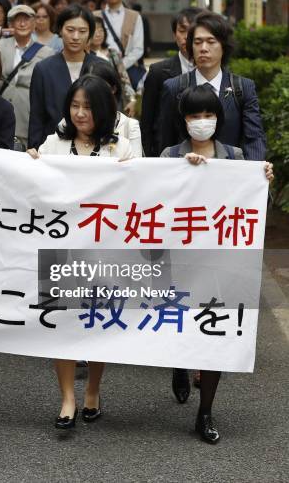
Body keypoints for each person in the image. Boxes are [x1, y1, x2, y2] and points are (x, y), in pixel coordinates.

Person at [160, 84, 273, 444]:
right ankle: (179, 365)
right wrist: (183, 171)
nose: (202, 122)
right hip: (180, 261)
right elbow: (151, 202)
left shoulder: (236, 156)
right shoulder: (168, 155)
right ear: (184, 120)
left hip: (222, 263)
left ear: (218, 119)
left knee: (215, 333)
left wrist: (263, 180)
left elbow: (252, 206)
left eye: (209, 115)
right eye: (195, 115)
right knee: (180, 325)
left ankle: (205, 412)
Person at [27, 76, 134, 430]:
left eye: (87, 107)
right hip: (61, 250)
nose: (80, 113)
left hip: (106, 252)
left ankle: (93, 390)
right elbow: (30, 177)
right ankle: (67, 399)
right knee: (62, 322)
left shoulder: (120, 149)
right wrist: (29, 161)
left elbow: (147, 187)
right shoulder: (55, 145)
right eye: (74, 106)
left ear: (103, 109)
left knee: (98, 322)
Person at [159, 11, 266, 162]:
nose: (203, 48)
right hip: (187, 175)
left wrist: (252, 174)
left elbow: (254, 138)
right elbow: (166, 138)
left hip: (230, 176)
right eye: (197, 42)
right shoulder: (174, 87)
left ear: (224, 46)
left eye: (211, 41)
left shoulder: (243, 88)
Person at [28, 4, 107, 149]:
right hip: (54, 148)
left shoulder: (102, 68)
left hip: (95, 148)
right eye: (70, 30)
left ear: (89, 34)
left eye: (82, 31)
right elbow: (37, 117)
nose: (75, 37)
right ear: (60, 30)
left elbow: (112, 112)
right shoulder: (44, 69)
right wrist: (35, 148)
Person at [140, 7, 202, 158]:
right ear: (174, 34)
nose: (187, 36)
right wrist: (150, 157)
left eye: (193, 31)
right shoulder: (158, 72)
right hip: (166, 155)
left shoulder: (218, 71)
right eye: (182, 30)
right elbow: (147, 122)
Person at [0, 5, 54, 149]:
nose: (22, 24)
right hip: (1, 113)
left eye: (26, 20)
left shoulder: (46, 53)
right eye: (17, 20)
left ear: (34, 24)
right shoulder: (0, 46)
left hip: (28, 116)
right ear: (11, 24)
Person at [94, 0, 145, 89]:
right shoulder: (94, 16)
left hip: (127, 68)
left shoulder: (134, 16)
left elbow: (138, 49)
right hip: (98, 68)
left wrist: (120, 66)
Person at [87, 61, 142, 156]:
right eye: (89, 87)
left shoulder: (129, 126)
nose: (94, 93)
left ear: (113, 89)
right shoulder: (69, 123)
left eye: (100, 87)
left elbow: (135, 166)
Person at [90, 15, 136, 116]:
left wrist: (132, 99)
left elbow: (124, 78)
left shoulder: (112, 53)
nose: (98, 34)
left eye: (101, 30)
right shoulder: (84, 55)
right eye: (94, 30)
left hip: (113, 100)